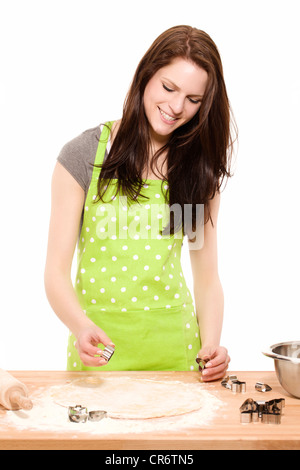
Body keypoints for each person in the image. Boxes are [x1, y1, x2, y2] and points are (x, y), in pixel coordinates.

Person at [44, 25, 236, 380]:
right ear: (145, 76)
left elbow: (207, 280)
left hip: (177, 358)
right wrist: (80, 327)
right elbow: (55, 274)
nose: (176, 107)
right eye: (168, 87)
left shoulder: (198, 171)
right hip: (99, 356)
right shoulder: (83, 156)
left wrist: (211, 346)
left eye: (194, 100)